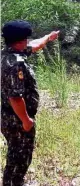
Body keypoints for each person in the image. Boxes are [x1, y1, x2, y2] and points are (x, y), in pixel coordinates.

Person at [1, 20, 59, 186]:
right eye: (26, 38)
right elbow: (15, 97)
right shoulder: (15, 64)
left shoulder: (8, 53)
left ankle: (13, 182)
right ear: (20, 41)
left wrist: (48, 37)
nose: (28, 41)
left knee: (15, 154)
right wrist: (26, 120)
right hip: (17, 119)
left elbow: (34, 45)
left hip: (8, 116)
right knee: (19, 158)